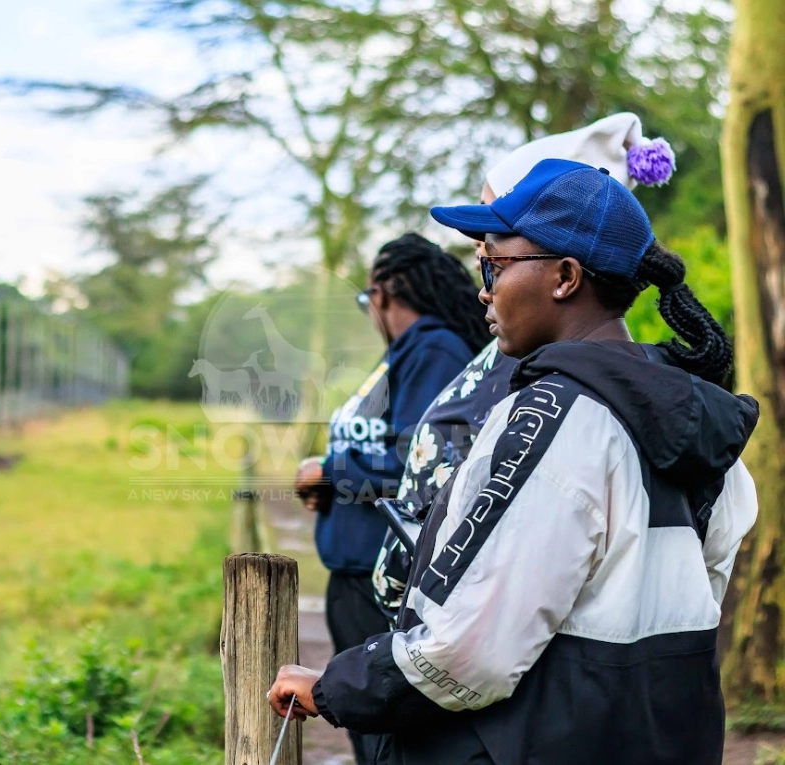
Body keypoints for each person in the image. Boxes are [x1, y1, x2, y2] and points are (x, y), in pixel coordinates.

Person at [271, 159, 758, 765]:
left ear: (564, 277)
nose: (483, 289)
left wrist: (335, 685)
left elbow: (469, 650)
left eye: (494, 265)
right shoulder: (701, 423)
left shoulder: (553, 416)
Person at [373, 113, 678, 622]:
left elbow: (504, 615)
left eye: (494, 255)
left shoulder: (552, 404)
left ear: (564, 276)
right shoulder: (529, 358)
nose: (482, 276)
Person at [294, 231, 491, 765]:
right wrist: (334, 485)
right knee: (368, 734)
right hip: (356, 571)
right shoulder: (407, 353)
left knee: (382, 736)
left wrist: (330, 471)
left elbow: (420, 462)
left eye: (366, 301)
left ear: (382, 294)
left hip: (381, 577)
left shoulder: (433, 349)